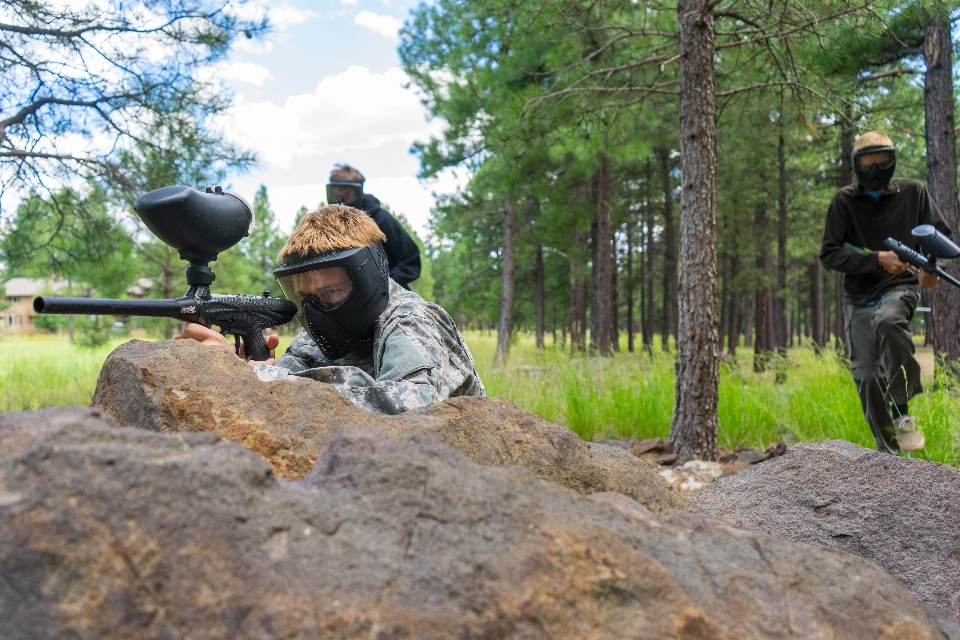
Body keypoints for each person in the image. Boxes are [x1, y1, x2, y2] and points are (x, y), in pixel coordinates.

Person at [180, 204, 484, 415]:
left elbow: (415, 406)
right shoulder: (325, 324)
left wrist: (276, 382)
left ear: (366, 279)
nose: (315, 310)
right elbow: (280, 388)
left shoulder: (408, 320)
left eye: (332, 291)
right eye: (305, 296)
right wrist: (237, 374)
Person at [820, 130, 950, 454]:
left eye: (882, 161)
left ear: (892, 160)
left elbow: (941, 235)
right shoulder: (844, 202)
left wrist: (929, 271)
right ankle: (888, 455)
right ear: (856, 164)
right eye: (868, 162)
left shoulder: (913, 193)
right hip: (859, 297)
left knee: (890, 320)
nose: (875, 169)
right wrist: (876, 259)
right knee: (865, 376)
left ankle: (902, 411)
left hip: (900, 288)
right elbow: (829, 253)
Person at [326, 164, 422, 289]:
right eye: (336, 195)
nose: (341, 201)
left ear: (359, 194)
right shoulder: (329, 228)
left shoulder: (381, 220)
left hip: (391, 297)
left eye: (348, 195)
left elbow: (411, 261)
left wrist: (383, 284)